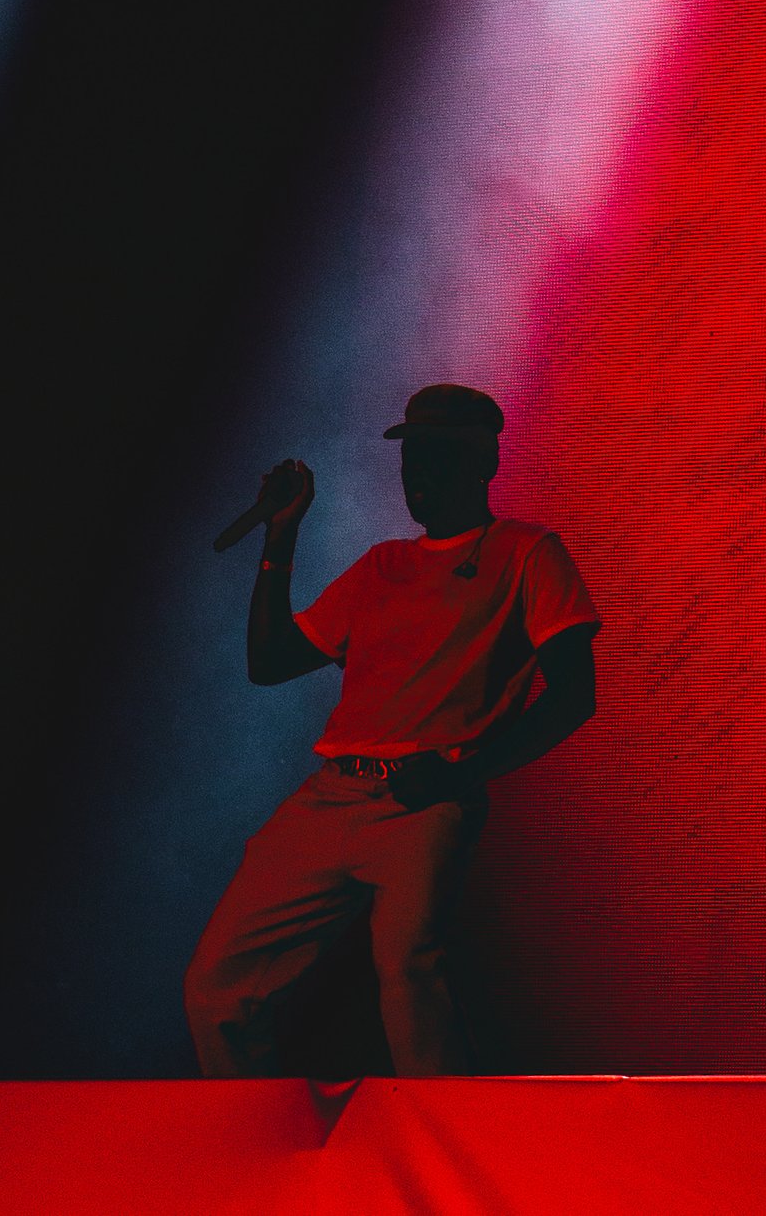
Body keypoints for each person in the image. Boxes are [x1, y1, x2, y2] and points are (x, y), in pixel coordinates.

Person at [183, 381, 598, 1077]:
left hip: (423, 800)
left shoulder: (527, 553)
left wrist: (461, 774)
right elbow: (270, 662)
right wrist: (281, 535)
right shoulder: (383, 565)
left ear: (484, 462)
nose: (417, 471)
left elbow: (574, 695)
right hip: (332, 797)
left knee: (409, 977)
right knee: (217, 985)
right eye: (411, 455)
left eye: (438, 454)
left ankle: (437, 1136)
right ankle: (252, 1134)